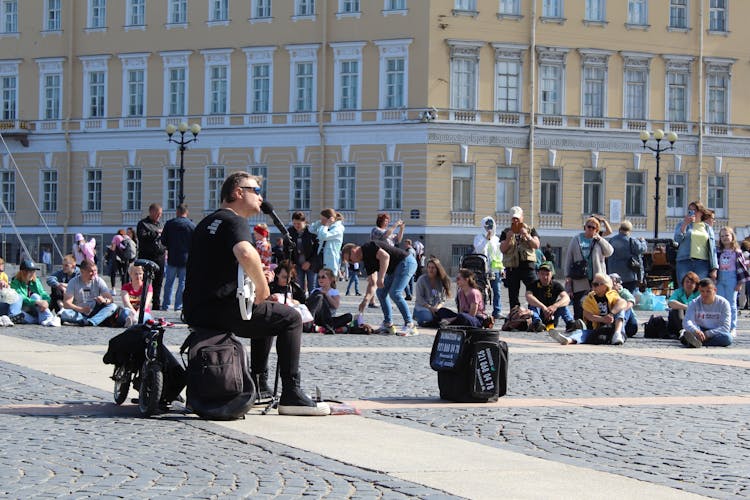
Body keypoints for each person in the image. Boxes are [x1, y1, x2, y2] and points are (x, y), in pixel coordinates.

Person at [182, 171, 330, 416]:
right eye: (256, 191)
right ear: (238, 192)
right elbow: (246, 253)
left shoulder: (207, 222)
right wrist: (262, 288)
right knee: (290, 317)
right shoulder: (234, 220)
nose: (261, 198)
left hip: (199, 310)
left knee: (268, 316)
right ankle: (291, 393)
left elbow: (217, 267)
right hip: (223, 310)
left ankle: (259, 386)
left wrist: (254, 278)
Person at [342, 240, 418, 336]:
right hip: (394, 269)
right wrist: (365, 300)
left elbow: (385, 257)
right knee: (381, 293)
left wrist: (381, 277)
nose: (351, 263)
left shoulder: (368, 246)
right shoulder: (366, 262)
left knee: (395, 293)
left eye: (349, 260)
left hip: (406, 262)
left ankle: (410, 325)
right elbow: (372, 284)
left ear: (353, 251)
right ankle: (388, 325)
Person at [549, 273, 627, 345]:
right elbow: (588, 315)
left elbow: (623, 302)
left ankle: (617, 334)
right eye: (592, 284)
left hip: (614, 326)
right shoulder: (589, 298)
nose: (593, 287)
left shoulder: (612, 294)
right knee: (582, 333)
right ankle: (568, 340)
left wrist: (611, 314)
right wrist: (603, 319)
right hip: (597, 328)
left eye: (596, 284)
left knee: (620, 309)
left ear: (605, 286)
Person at [564, 216, 614, 320]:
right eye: (588, 226)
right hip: (580, 278)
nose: (590, 229)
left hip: (597, 278)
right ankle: (579, 325)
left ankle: (595, 324)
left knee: (597, 304)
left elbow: (610, 252)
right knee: (579, 305)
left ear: (597, 230)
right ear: (584, 227)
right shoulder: (576, 239)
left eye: (593, 228)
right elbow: (569, 258)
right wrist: (568, 276)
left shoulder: (598, 240)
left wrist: (600, 239)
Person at [499, 206, 540, 309]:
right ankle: (515, 316)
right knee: (513, 296)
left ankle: (535, 314)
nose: (515, 220)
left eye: (517, 218)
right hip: (512, 268)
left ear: (522, 217)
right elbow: (502, 249)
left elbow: (536, 245)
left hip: (528, 267)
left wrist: (527, 235)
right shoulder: (506, 232)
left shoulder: (530, 230)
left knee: (534, 291)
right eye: (513, 218)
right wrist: (508, 239)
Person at [59, 259, 118, 326]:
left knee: (113, 306)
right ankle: (92, 320)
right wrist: (81, 309)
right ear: (82, 271)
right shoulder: (73, 282)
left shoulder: (99, 281)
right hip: (79, 312)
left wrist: (104, 300)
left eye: (95, 271)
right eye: (91, 271)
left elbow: (110, 299)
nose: (94, 273)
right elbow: (67, 303)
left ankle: (91, 322)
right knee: (65, 314)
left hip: (96, 311)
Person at [524, 261, 579, 333]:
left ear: (551, 274)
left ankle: (570, 323)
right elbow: (528, 297)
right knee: (532, 305)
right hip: (539, 314)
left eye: (547, 274)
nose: (545, 277)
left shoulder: (556, 285)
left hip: (552, 315)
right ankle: (537, 323)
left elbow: (567, 298)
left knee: (563, 303)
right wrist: (543, 307)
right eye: (542, 274)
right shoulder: (533, 285)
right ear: (538, 274)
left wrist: (555, 306)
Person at [160, 204, 196, 311]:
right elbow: (195, 243)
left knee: (168, 283)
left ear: (177, 212)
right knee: (182, 284)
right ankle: (178, 306)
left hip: (172, 257)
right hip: (186, 258)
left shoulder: (169, 224)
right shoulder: (191, 226)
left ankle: (166, 305)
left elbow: (163, 241)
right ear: (186, 212)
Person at [674, 200, 718, 285]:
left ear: (701, 212)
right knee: (684, 288)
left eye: (695, 210)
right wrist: (685, 225)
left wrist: (714, 268)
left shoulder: (707, 228)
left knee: (700, 289)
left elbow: (713, 249)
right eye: (690, 210)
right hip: (685, 261)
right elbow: (677, 239)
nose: (692, 213)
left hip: (702, 263)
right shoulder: (682, 224)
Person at [715, 226, 748, 336]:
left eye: (727, 235)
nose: (725, 238)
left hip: (732, 279)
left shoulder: (737, 252)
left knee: (731, 303)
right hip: (720, 279)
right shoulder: (718, 251)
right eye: (722, 236)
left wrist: (740, 283)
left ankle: (732, 327)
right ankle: (721, 325)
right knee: (720, 302)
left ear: (732, 236)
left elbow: (742, 268)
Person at [681, 278, 733, 348]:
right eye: (702, 291)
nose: (705, 294)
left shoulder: (724, 303)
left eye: (708, 291)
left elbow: (726, 327)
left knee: (727, 338)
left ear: (715, 290)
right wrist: (695, 330)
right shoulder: (694, 303)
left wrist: (708, 334)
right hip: (699, 330)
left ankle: (697, 342)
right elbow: (687, 321)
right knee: (685, 332)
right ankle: (695, 340)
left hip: (715, 331)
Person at [10, 259, 59, 327]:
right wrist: (36, 302)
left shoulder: (35, 280)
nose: (32, 274)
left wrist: (46, 302)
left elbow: (42, 293)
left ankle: (48, 318)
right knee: (21, 314)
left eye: (33, 271)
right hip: (23, 307)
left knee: (35, 296)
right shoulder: (15, 282)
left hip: (36, 308)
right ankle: (43, 319)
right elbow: (22, 297)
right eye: (30, 271)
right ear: (23, 272)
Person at [137, 203, 167, 311]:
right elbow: (142, 237)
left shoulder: (161, 224)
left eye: (160, 214)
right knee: (145, 281)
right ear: (151, 212)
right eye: (158, 214)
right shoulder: (143, 224)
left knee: (158, 282)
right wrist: (155, 233)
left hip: (159, 256)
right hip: (147, 257)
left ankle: (156, 304)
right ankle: (143, 303)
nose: (159, 216)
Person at [473, 216, 504, 320]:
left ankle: (497, 311)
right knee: (482, 291)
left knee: (497, 291)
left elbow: (499, 254)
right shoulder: (478, 237)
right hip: (482, 269)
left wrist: (502, 268)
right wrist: (486, 239)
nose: (489, 228)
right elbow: (479, 249)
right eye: (487, 226)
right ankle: (482, 310)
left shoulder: (497, 239)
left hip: (495, 269)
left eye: (491, 226)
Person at [305, 268, 352, 334]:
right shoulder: (316, 290)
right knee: (319, 296)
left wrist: (327, 295)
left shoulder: (334, 292)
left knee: (349, 316)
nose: (320, 279)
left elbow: (336, 306)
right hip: (319, 318)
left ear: (331, 279)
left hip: (329, 319)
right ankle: (331, 328)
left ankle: (324, 328)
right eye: (319, 277)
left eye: (323, 277)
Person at [269, 261, 314, 329]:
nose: (286, 280)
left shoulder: (295, 288)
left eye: (289, 277)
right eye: (284, 277)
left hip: (293, 315)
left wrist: (295, 301)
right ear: (277, 275)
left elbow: (303, 302)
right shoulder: (271, 287)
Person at [607, 220, 647, 292]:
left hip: (614, 274)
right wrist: (643, 241)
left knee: (616, 295)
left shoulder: (612, 240)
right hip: (629, 275)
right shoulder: (632, 240)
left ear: (620, 229)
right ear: (630, 230)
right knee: (629, 295)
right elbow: (642, 249)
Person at [412, 257, 451, 327]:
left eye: (433, 268)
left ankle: (433, 321)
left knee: (447, 316)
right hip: (423, 308)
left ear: (437, 269)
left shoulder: (441, 281)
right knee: (429, 317)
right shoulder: (422, 280)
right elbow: (419, 299)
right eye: (429, 267)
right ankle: (422, 319)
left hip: (436, 309)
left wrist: (437, 308)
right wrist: (430, 308)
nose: (430, 270)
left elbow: (443, 299)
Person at [287, 211, 320, 294]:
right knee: (299, 287)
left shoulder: (311, 232)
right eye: (294, 223)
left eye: (298, 223)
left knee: (312, 287)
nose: (296, 226)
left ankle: (312, 304)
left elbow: (317, 249)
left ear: (304, 222)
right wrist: (291, 264)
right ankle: (301, 304)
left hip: (311, 264)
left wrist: (310, 262)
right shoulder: (290, 232)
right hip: (297, 264)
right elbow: (286, 249)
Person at [309, 208, 345, 281]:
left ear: (330, 219)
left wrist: (326, 225)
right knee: (320, 283)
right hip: (321, 259)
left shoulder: (338, 229)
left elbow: (324, 236)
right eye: (321, 219)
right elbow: (311, 229)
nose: (322, 222)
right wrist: (320, 222)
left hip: (331, 261)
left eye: (323, 219)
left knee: (329, 284)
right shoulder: (324, 228)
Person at [666, 271, 700, 339]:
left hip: (694, 320)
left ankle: (689, 333)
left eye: (692, 283)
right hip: (678, 321)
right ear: (683, 283)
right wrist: (686, 307)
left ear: (696, 285)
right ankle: (683, 332)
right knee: (677, 310)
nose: (689, 284)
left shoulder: (699, 293)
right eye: (687, 282)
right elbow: (670, 302)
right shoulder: (678, 291)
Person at [609, 273, 638, 337]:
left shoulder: (623, 292)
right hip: (613, 319)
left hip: (629, 324)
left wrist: (620, 312)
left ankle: (620, 329)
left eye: (614, 282)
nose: (613, 285)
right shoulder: (607, 293)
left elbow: (631, 301)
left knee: (625, 307)